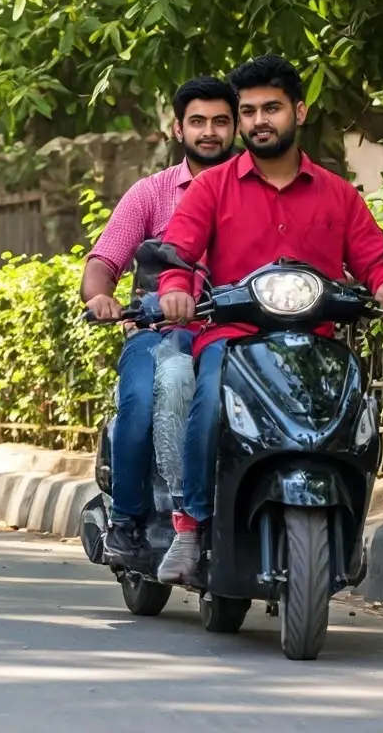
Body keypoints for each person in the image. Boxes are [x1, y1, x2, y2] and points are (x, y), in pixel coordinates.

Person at [154, 55, 383, 584]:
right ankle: (190, 525)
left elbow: (372, 256)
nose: (259, 121)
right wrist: (176, 290)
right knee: (208, 402)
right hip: (232, 339)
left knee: (358, 411)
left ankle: (351, 524)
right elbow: (178, 253)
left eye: (270, 109)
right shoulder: (212, 187)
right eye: (248, 112)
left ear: (299, 111)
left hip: (315, 341)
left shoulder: (338, 192)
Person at [81, 76, 238, 570]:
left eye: (220, 121)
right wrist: (101, 297)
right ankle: (127, 522)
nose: (209, 131)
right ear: (178, 129)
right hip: (157, 333)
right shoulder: (151, 193)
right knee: (140, 400)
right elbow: (104, 261)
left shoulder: (256, 191)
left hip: (237, 332)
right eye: (198, 121)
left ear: (236, 127)